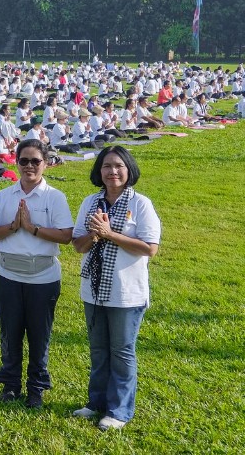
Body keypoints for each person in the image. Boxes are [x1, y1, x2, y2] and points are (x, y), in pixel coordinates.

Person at [71, 146, 161, 431]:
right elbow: (77, 245)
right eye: (107, 166)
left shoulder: (141, 204)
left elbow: (149, 248)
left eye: (119, 166)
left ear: (129, 169)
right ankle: (96, 402)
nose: (113, 171)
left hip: (126, 291)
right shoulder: (90, 202)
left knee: (122, 351)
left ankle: (119, 410)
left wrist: (111, 234)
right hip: (95, 289)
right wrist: (95, 235)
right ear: (99, 171)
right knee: (99, 350)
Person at [0, 139, 73, 408]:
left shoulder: (54, 197)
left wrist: (32, 228)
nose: (30, 166)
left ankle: (36, 386)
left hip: (42, 277)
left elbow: (66, 235)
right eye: (24, 161)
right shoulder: (4, 196)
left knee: (38, 334)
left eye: (36, 161)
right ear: (16, 162)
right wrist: (13, 227)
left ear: (45, 163)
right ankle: (10, 385)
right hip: (8, 274)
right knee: (10, 333)